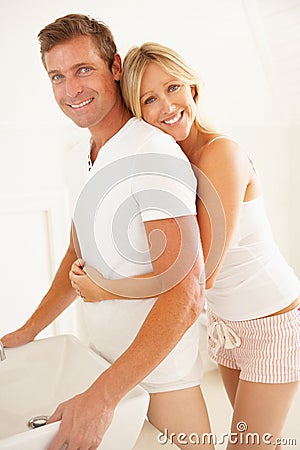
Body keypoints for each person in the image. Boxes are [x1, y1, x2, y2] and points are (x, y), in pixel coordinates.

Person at [0, 15, 215, 450]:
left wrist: (102, 398)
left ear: (115, 67)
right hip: (102, 363)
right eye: (57, 76)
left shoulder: (151, 153)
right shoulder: (82, 153)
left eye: (83, 70)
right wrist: (27, 332)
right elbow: (79, 253)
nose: (71, 89)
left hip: (159, 382)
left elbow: (186, 293)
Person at [117, 42, 300, 449]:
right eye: (149, 98)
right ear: (137, 111)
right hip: (227, 326)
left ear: (192, 88)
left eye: (173, 87)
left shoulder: (222, 154)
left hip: (272, 324)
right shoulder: (175, 163)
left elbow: (202, 273)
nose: (167, 105)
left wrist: (105, 288)